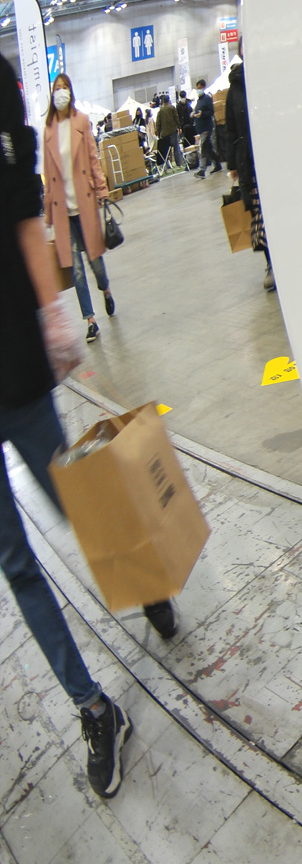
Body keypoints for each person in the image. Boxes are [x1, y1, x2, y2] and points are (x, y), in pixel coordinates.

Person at [0, 54, 137, 798]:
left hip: (13, 363)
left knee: (77, 507)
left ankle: (144, 574)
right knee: (15, 562)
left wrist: (55, 316)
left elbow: (26, 216)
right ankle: (94, 707)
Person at [43, 73, 116, 343]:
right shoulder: (48, 129)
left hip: (84, 203)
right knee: (75, 270)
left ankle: (106, 290)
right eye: (57, 88)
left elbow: (93, 159)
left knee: (95, 263)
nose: (60, 92)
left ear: (71, 92)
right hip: (63, 211)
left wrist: (102, 190)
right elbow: (48, 173)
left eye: (64, 87)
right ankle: (90, 320)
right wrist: (48, 213)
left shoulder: (82, 121)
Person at [224, 56, 272, 291]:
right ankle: (271, 263)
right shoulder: (235, 89)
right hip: (248, 160)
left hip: (271, 155)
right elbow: (230, 128)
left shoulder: (267, 76)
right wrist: (232, 164)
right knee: (258, 212)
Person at [192, 78, 216, 178]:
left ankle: (202, 170)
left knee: (203, 149)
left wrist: (202, 114)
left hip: (206, 127)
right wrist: (194, 114)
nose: (199, 90)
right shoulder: (199, 100)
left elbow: (211, 112)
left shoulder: (207, 99)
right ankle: (217, 163)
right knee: (208, 148)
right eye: (197, 88)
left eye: (200, 88)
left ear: (204, 87)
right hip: (201, 128)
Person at [154, 94, 181, 170]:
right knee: (176, 149)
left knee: (167, 151)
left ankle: (168, 165)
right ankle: (178, 164)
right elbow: (176, 118)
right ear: (169, 101)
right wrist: (179, 127)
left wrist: (158, 131)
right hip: (173, 131)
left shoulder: (160, 110)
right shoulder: (172, 108)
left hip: (164, 134)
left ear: (163, 102)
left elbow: (158, 122)